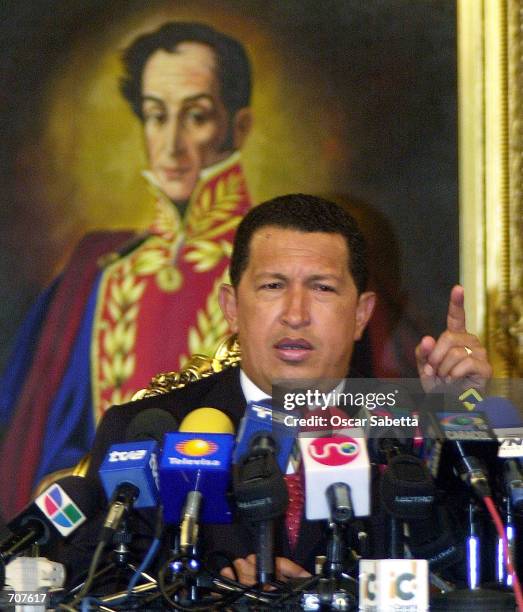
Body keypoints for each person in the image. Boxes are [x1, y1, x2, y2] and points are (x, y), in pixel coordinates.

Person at [58, 193, 492, 587]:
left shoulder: (408, 426)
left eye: (322, 287)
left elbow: (488, 567)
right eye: (273, 286)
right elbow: (89, 582)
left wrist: (461, 414)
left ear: (361, 315)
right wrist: (213, 593)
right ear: (231, 307)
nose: (295, 314)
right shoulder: (146, 432)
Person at [0, 22, 253, 519]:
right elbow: (58, 442)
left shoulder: (274, 271)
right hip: (109, 535)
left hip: (230, 524)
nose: (172, 144)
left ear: (237, 126)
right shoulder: (101, 272)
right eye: (157, 117)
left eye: (196, 116)